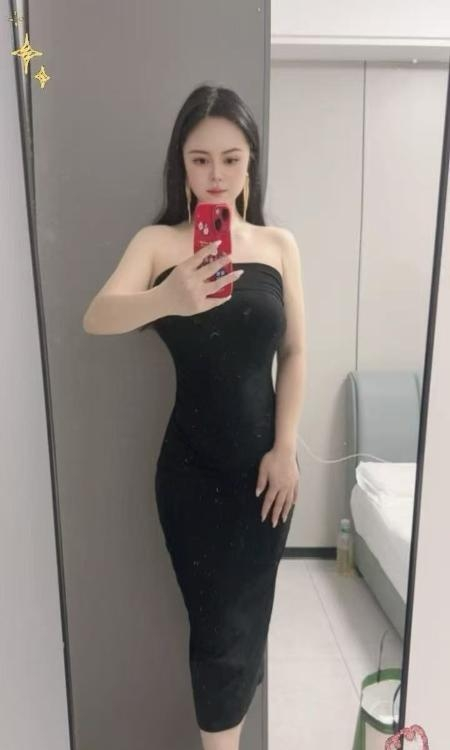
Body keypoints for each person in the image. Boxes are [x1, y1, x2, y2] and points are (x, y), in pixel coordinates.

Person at [83, 83, 306, 750]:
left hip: (266, 475)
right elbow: (97, 317)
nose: (215, 175)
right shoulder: (158, 243)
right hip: (190, 475)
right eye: (200, 159)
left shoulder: (278, 244)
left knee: (247, 626)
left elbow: (295, 352)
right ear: (179, 163)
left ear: (251, 162)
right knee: (216, 633)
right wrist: (168, 297)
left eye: (231, 159)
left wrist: (286, 448)